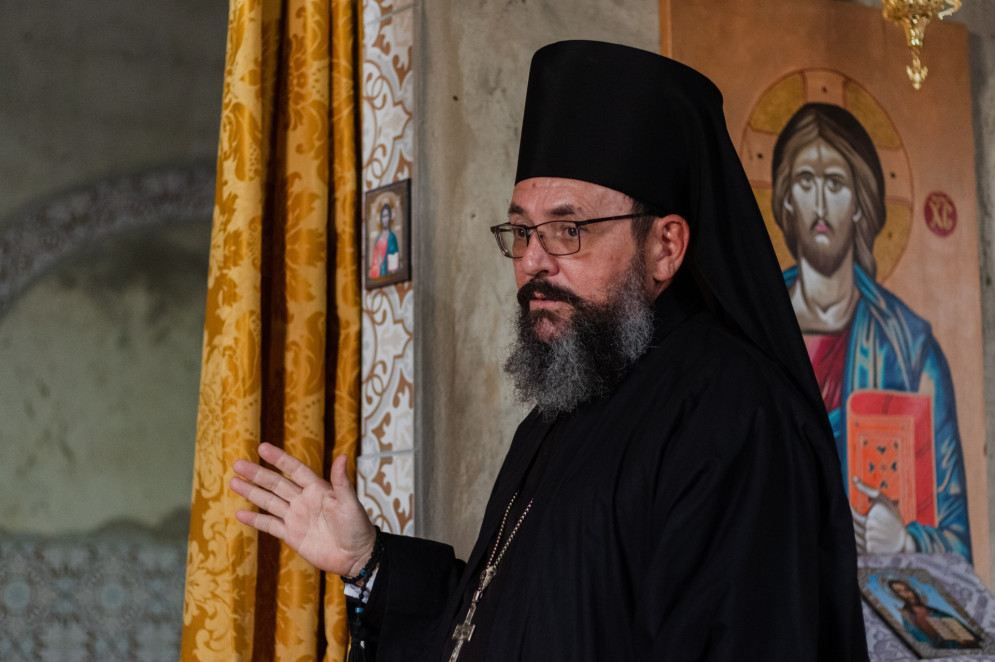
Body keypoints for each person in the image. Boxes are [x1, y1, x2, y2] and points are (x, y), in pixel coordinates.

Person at [230, 41, 869, 661]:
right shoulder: (565, 407)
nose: (534, 261)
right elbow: (509, 623)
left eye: (569, 230)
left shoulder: (735, 419)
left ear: (665, 247)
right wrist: (370, 563)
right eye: (522, 231)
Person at [770, 103, 971, 560]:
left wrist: (904, 542)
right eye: (806, 181)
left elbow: (956, 538)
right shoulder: (749, 336)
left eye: (836, 184)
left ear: (860, 203)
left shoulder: (910, 350)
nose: (819, 204)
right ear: (785, 197)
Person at [886, 579, 980, 649]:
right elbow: (925, 644)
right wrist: (956, 642)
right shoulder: (908, 618)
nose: (907, 594)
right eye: (899, 591)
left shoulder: (934, 610)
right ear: (896, 596)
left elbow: (961, 629)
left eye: (907, 590)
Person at [369, 202, 400, 278]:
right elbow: (374, 263)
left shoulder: (392, 237)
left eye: (386, 216)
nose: (385, 219)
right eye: (383, 217)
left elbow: (394, 262)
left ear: (389, 217)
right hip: (379, 275)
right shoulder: (378, 239)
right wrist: (378, 265)